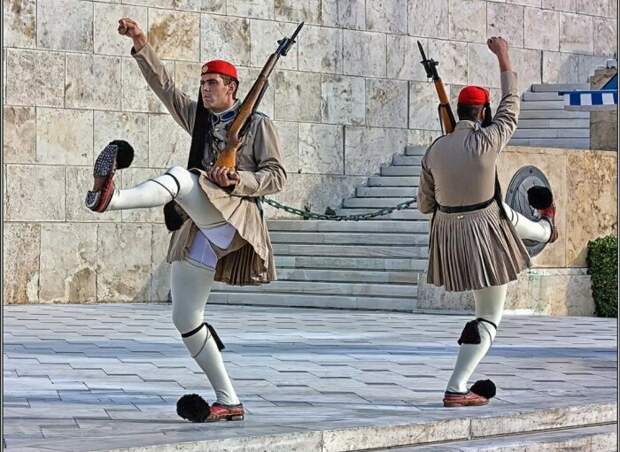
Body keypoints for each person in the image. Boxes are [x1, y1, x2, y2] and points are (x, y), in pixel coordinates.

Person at [85, 17, 287, 422]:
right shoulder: (198, 118)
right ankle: (228, 400)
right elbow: (165, 88)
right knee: (185, 316)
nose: (205, 87)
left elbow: (277, 176)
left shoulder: (258, 125)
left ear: (232, 88)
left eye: (213, 82)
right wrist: (142, 43)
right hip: (199, 224)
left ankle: (110, 199)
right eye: (203, 82)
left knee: (180, 176)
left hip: (233, 220)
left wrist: (237, 179)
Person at [416, 36, 557, 408]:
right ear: (481, 113)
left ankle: (544, 228)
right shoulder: (487, 140)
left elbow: (424, 204)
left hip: (450, 235)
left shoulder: (433, 150)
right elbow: (511, 107)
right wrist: (504, 55)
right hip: (484, 231)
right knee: (490, 317)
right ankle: (458, 386)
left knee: (507, 216)